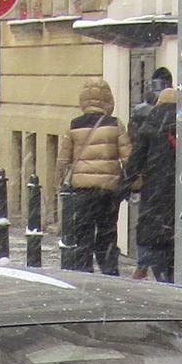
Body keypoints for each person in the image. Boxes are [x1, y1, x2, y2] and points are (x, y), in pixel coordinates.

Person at [122, 87, 182, 284]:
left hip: (155, 194)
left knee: (156, 241)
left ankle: (163, 279)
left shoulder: (150, 125)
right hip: (181, 194)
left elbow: (135, 160)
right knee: (175, 242)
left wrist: (123, 188)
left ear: (159, 103)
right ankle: (170, 280)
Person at [55, 79, 128, 275]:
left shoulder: (74, 125)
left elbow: (63, 160)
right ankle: (109, 271)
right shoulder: (115, 125)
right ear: (108, 100)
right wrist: (135, 183)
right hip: (108, 189)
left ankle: (85, 273)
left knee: (83, 234)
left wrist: (60, 181)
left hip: (82, 190)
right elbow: (128, 157)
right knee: (107, 232)